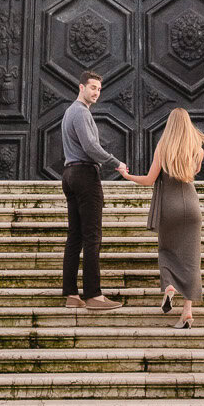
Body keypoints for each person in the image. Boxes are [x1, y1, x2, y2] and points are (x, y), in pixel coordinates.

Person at [122, 107, 204, 330]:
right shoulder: (197, 150)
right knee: (192, 260)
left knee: (166, 252)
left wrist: (127, 175)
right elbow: (192, 175)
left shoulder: (163, 147)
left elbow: (149, 180)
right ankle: (187, 313)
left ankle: (170, 286)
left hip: (169, 207)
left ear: (170, 125)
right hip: (191, 207)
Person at [60, 72, 126, 312]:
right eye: (93, 88)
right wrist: (115, 162)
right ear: (81, 87)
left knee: (75, 237)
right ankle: (93, 295)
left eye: (99, 88)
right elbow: (90, 146)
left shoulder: (69, 112)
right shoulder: (80, 112)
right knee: (92, 237)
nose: (96, 92)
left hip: (69, 174)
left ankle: (70, 294)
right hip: (85, 175)